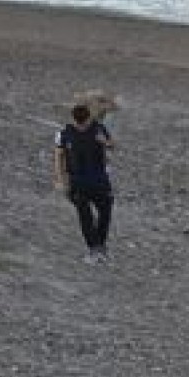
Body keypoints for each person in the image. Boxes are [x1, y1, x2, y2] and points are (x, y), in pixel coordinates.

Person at [54, 103, 115, 262]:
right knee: (85, 214)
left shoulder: (98, 129)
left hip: (99, 181)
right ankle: (94, 249)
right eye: (79, 122)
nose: (82, 125)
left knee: (105, 212)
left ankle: (100, 246)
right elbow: (58, 155)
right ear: (74, 120)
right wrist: (61, 179)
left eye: (84, 122)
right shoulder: (65, 133)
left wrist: (104, 142)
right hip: (77, 182)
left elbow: (113, 145)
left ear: (89, 118)